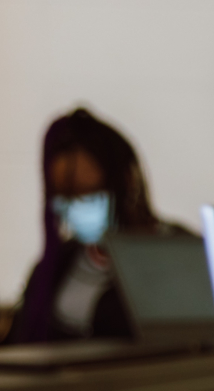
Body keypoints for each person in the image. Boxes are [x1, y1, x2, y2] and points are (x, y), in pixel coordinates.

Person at [12, 107, 194, 343]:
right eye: (65, 197)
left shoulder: (181, 254)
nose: (75, 206)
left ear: (127, 181)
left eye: (88, 193)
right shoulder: (54, 268)